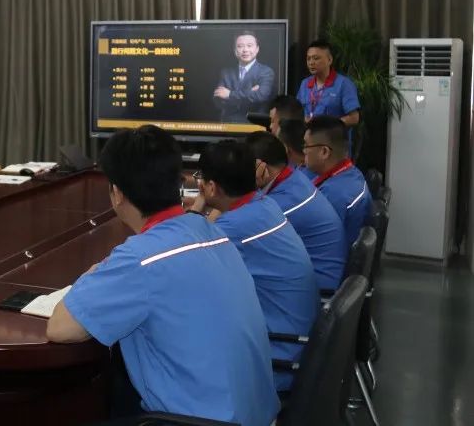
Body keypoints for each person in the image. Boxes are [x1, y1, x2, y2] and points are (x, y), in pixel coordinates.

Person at [46, 126, 278, 425]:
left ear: (117, 193)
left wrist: (92, 274)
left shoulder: (141, 259)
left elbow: (61, 328)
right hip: (254, 415)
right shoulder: (210, 230)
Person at [191, 140, 318, 392]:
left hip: (277, 359)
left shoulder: (233, 228)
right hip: (299, 343)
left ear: (211, 187)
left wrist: (198, 205)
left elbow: (183, 254)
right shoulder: (264, 204)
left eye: (200, 179)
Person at [246, 131, 346, 291]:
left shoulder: (284, 203)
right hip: (317, 275)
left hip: (319, 288)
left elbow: (230, 233)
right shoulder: (294, 178)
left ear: (260, 167)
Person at [304, 116, 372, 249]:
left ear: (324, 152)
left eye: (306, 145)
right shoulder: (352, 174)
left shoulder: (332, 196)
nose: (304, 151)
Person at [213, 33, 276, 123]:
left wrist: (230, 95)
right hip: (228, 124)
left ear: (257, 49)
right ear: (235, 50)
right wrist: (249, 92)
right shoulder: (226, 72)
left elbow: (261, 96)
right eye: (240, 46)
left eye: (249, 46)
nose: (245, 50)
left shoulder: (266, 72)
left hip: (254, 125)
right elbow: (218, 100)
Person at [296, 40, 361, 127]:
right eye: (308, 59)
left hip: (332, 135)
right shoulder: (305, 84)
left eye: (316, 58)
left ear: (329, 60)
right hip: (309, 134)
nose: (311, 63)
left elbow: (354, 118)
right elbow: (297, 112)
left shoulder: (344, 84)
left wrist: (326, 125)